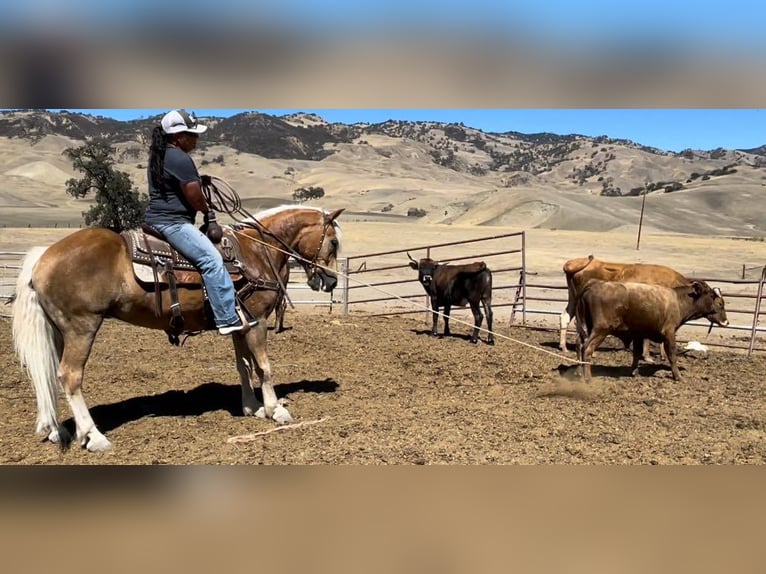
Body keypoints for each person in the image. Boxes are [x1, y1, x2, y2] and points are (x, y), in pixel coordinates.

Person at [145, 109, 257, 335]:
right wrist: (209, 212)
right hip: (173, 223)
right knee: (212, 260)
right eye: (192, 134)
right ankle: (227, 318)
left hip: (158, 219)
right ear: (178, 137)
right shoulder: (179, 157)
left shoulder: (162, 154)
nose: (196, 139)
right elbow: (194, 197)